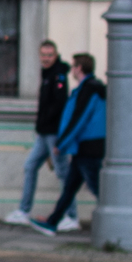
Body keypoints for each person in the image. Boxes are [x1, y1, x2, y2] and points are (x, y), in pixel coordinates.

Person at [27, 53, 105, 236]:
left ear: (79, 68)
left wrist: (62, 143)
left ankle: (119, 221)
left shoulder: (89, 90)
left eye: (74, 66)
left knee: (98, 188)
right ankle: (53, 222)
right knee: (69, 187)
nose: (72, 69)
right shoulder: (91, 88)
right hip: (85, 146)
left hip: (88, 146)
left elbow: (79, 119)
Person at [7, 40, 68, 226]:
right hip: (44, 133)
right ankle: (24, 210)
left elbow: (59, 104)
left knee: (63, 173)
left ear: (55, 55)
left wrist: (49, 127)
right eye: (43, 55)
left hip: (53, 133)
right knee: (30, 166)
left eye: (49, 55)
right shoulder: (48, 74)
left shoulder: (58, 76)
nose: (46, 58)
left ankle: (70, 215)